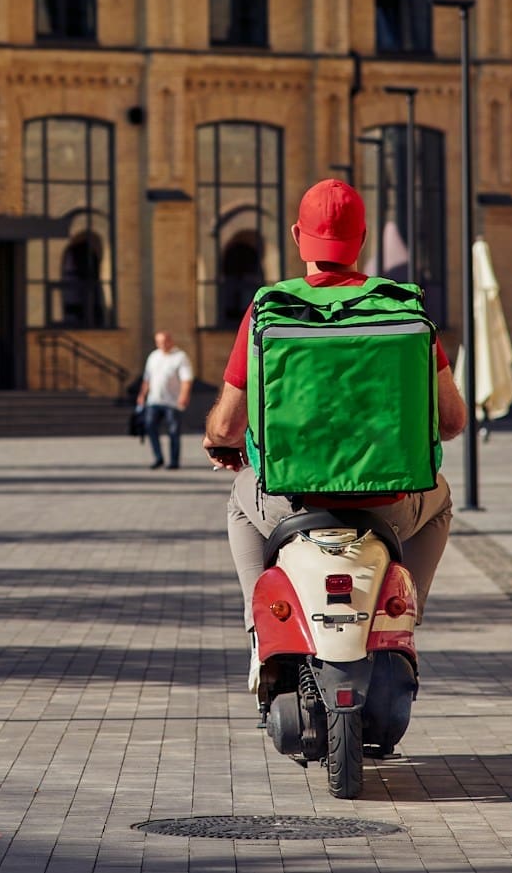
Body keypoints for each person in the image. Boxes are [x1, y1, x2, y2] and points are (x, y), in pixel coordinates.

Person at [201, 178, 468, 686]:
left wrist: (218, 439)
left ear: (299, 236)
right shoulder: (403, 308)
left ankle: (264, 632)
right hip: (388, 503)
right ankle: (400, 620)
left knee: (240, 501)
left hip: (292, 501)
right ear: (362, 238)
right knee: (442, 498)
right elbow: (452, 421)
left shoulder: (269, 310)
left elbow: (229, 424)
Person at [136, 330, 193, 470]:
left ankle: (174, 461)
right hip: (153, 400)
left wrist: (184, 395)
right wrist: (142, 395)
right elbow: (147, 378)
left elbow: (186, 379)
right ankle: (158, 457)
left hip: (172, 402)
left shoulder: (180, 357)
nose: (162, 344)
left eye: (164, 341)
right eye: (159, 342)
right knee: (150, 427)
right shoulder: (153, 356)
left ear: (170, 340)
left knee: (173, 431)